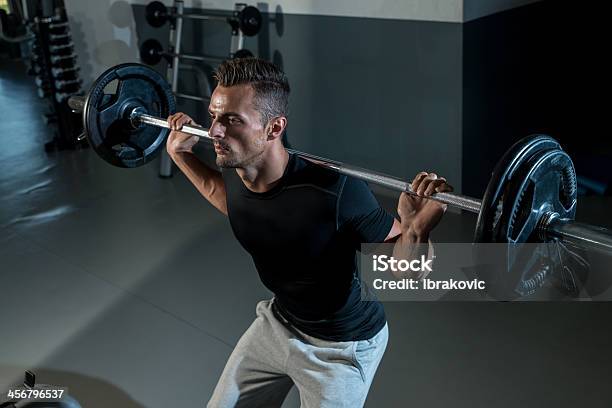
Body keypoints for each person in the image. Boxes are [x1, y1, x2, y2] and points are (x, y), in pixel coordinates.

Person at [166, 58, 453, 407]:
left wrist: (416, 227)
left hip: (341, 346)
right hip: (278, 322)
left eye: (232, 120)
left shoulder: (335, 191)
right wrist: (179, 155)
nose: (214, 131)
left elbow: (406, 271)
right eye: (213, 115)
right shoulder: (237, 167)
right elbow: (229, 200)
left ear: (274, 128)